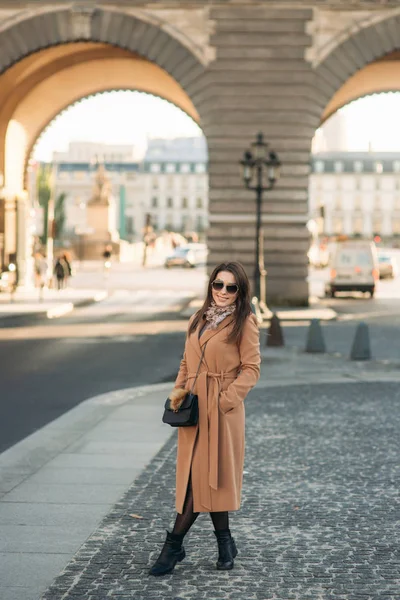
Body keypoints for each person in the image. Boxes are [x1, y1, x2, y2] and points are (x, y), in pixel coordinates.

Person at [149, 261, 261, 576]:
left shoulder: (245, 322)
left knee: (204, 479)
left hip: (222, 412)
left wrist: (226, 400)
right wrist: (178, 394)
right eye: (218, 285)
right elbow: (187, 361)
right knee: (205, 477)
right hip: (195, 408)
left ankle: (173, 546)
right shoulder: (198, 318)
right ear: (210, 285)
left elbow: (251, 369)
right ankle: (225, 543)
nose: (223, 292)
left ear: (240, 291)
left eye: (231, 287)